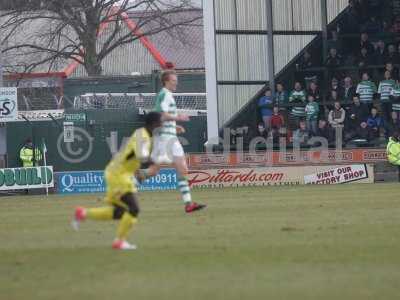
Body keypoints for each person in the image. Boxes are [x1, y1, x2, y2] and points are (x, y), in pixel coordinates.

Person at [71, 112, 163, 250]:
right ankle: (119, 241)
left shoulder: (143, 134)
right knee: (134, 209)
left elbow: (136, 157)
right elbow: (142, 156)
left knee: (119, 212)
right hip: (118, 175)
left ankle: (83, 213)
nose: (162, 125)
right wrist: (157, 160)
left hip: (119, 174)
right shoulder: (142, 135)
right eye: (161, 122)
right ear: (154, 123)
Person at [151, 70, 206, 213]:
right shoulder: (164, 94)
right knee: (155, 170)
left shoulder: (168, 95)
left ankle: (188, 204)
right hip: (164, 137)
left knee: (182, 168)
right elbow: (160, 115)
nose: (176, 83)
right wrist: (179, 118)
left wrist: (175, 127)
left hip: (170, 136)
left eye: (176, 80)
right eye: (174, 81)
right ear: (166, 81)